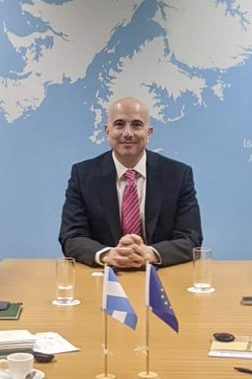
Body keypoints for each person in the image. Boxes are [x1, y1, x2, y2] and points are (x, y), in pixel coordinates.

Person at [59, 96, 202, 269]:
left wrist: (150, 253)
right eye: (119, 124)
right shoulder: (83, 175)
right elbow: (71, 236)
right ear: (107, 131)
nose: (127, 133)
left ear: (149, 133)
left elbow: (191, 238)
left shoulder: (178, 175)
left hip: (159, 277)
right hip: (104, 277)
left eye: (136, 125)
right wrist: (108, 255)